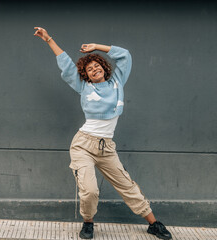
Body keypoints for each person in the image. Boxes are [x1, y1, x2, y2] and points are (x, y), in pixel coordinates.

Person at [33, 27, 172, 240]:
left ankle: (153, 224)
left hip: (106, 148)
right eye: (89, 69)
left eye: (97, 65)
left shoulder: (117, 82)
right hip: (83, 145)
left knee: (127, 185)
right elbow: (66, 64)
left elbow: (125, 55)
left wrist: (97, 47)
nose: (94, 69)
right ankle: (88, 223)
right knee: (90, 191)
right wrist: (49, 39)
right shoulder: (84, 87)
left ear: (104, 68)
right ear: (85, 75)